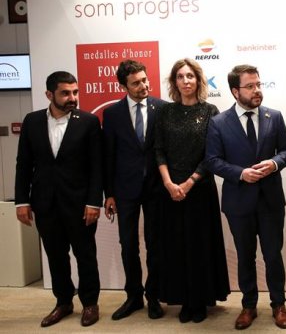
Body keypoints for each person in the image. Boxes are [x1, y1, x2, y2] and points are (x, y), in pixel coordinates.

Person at [206, 65, 286, 330]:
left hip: (270, 202)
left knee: (273, 256)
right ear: (235, 91)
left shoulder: (274, 117)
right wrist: (240, 173)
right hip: (238, 201)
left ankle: (279, 304)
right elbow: (212, 160)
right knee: (245, 256)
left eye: (258, 84)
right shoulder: (218, 122)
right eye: (250, 86)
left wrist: (274, 164)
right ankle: (248, 305)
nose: (257, 90)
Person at [15, 71, 102, 327]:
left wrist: (93, 202)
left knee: (85, 254)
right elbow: (24, 165)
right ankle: (63, 301)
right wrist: (22, 202)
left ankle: (90, 303)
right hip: (44, 203)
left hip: (80, 204)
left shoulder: (88, 122)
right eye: (65, 93)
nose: (72, 98)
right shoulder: (31, 122)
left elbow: (97, 167)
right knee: (55, 255)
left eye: (75, 92)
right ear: (49, 95)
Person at [154, 58, 230, 323]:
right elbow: (158, 149)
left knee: (200, 247)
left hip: (199, 190)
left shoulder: (211, 111)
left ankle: (200, 300)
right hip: (171, 192)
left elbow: (213, 154)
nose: (185, 81)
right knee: (176, 246)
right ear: (174, 82)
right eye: (180, 77)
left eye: (190, 76)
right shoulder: (164, 112)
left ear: (198, 80)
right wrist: (168, 184)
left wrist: (188, 183)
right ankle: (184, 300)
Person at [103, 59, 167, 321]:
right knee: (128, 245)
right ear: (124, 85)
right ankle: (133, 297)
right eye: (136, 82)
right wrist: (109, 194)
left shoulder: (162, 108)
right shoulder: (113, 113)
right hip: (125, 190)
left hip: (155, 189)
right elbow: (108, 157)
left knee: (155, 244)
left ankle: (154, 296)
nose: (144, 85)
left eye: (145, 79)